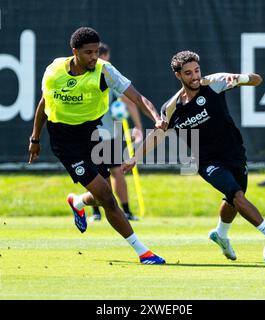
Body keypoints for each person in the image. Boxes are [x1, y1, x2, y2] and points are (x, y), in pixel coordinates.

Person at [122, 50, 265, 261]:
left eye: (197, 70)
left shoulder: (214, 82)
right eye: (188, 73)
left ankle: (220, 234)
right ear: (178, 75)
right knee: (237, 196)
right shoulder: (171, 108)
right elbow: (158, 136)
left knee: (234, 200)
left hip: (234, 153)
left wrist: (241, 78)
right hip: (206, 162)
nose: (195, 76)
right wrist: (135, 157)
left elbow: (257, 80)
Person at [28, 27, 165, 264]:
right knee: (107, 197)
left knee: (104, 194)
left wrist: (156, 117)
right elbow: (43, 104)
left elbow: (136, 96)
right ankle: (143, 252)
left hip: (93, 133)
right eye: (88, 52)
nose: (94, 57)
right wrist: (35, 139)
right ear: (75, 52)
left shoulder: (105, 71)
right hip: (63, 140)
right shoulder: (53, 72)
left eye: (96, 52)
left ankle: (78, 201)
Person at [91, 43, 142, 222]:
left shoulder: (109, 78)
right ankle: (96, 212)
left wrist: (137, 126)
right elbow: (129, 102)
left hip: (108, 134)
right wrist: (138, 126)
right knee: (94, 175)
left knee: (116, 172)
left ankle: (125, 210)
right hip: (91, 134)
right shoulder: (96, 75)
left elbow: (127, 102)